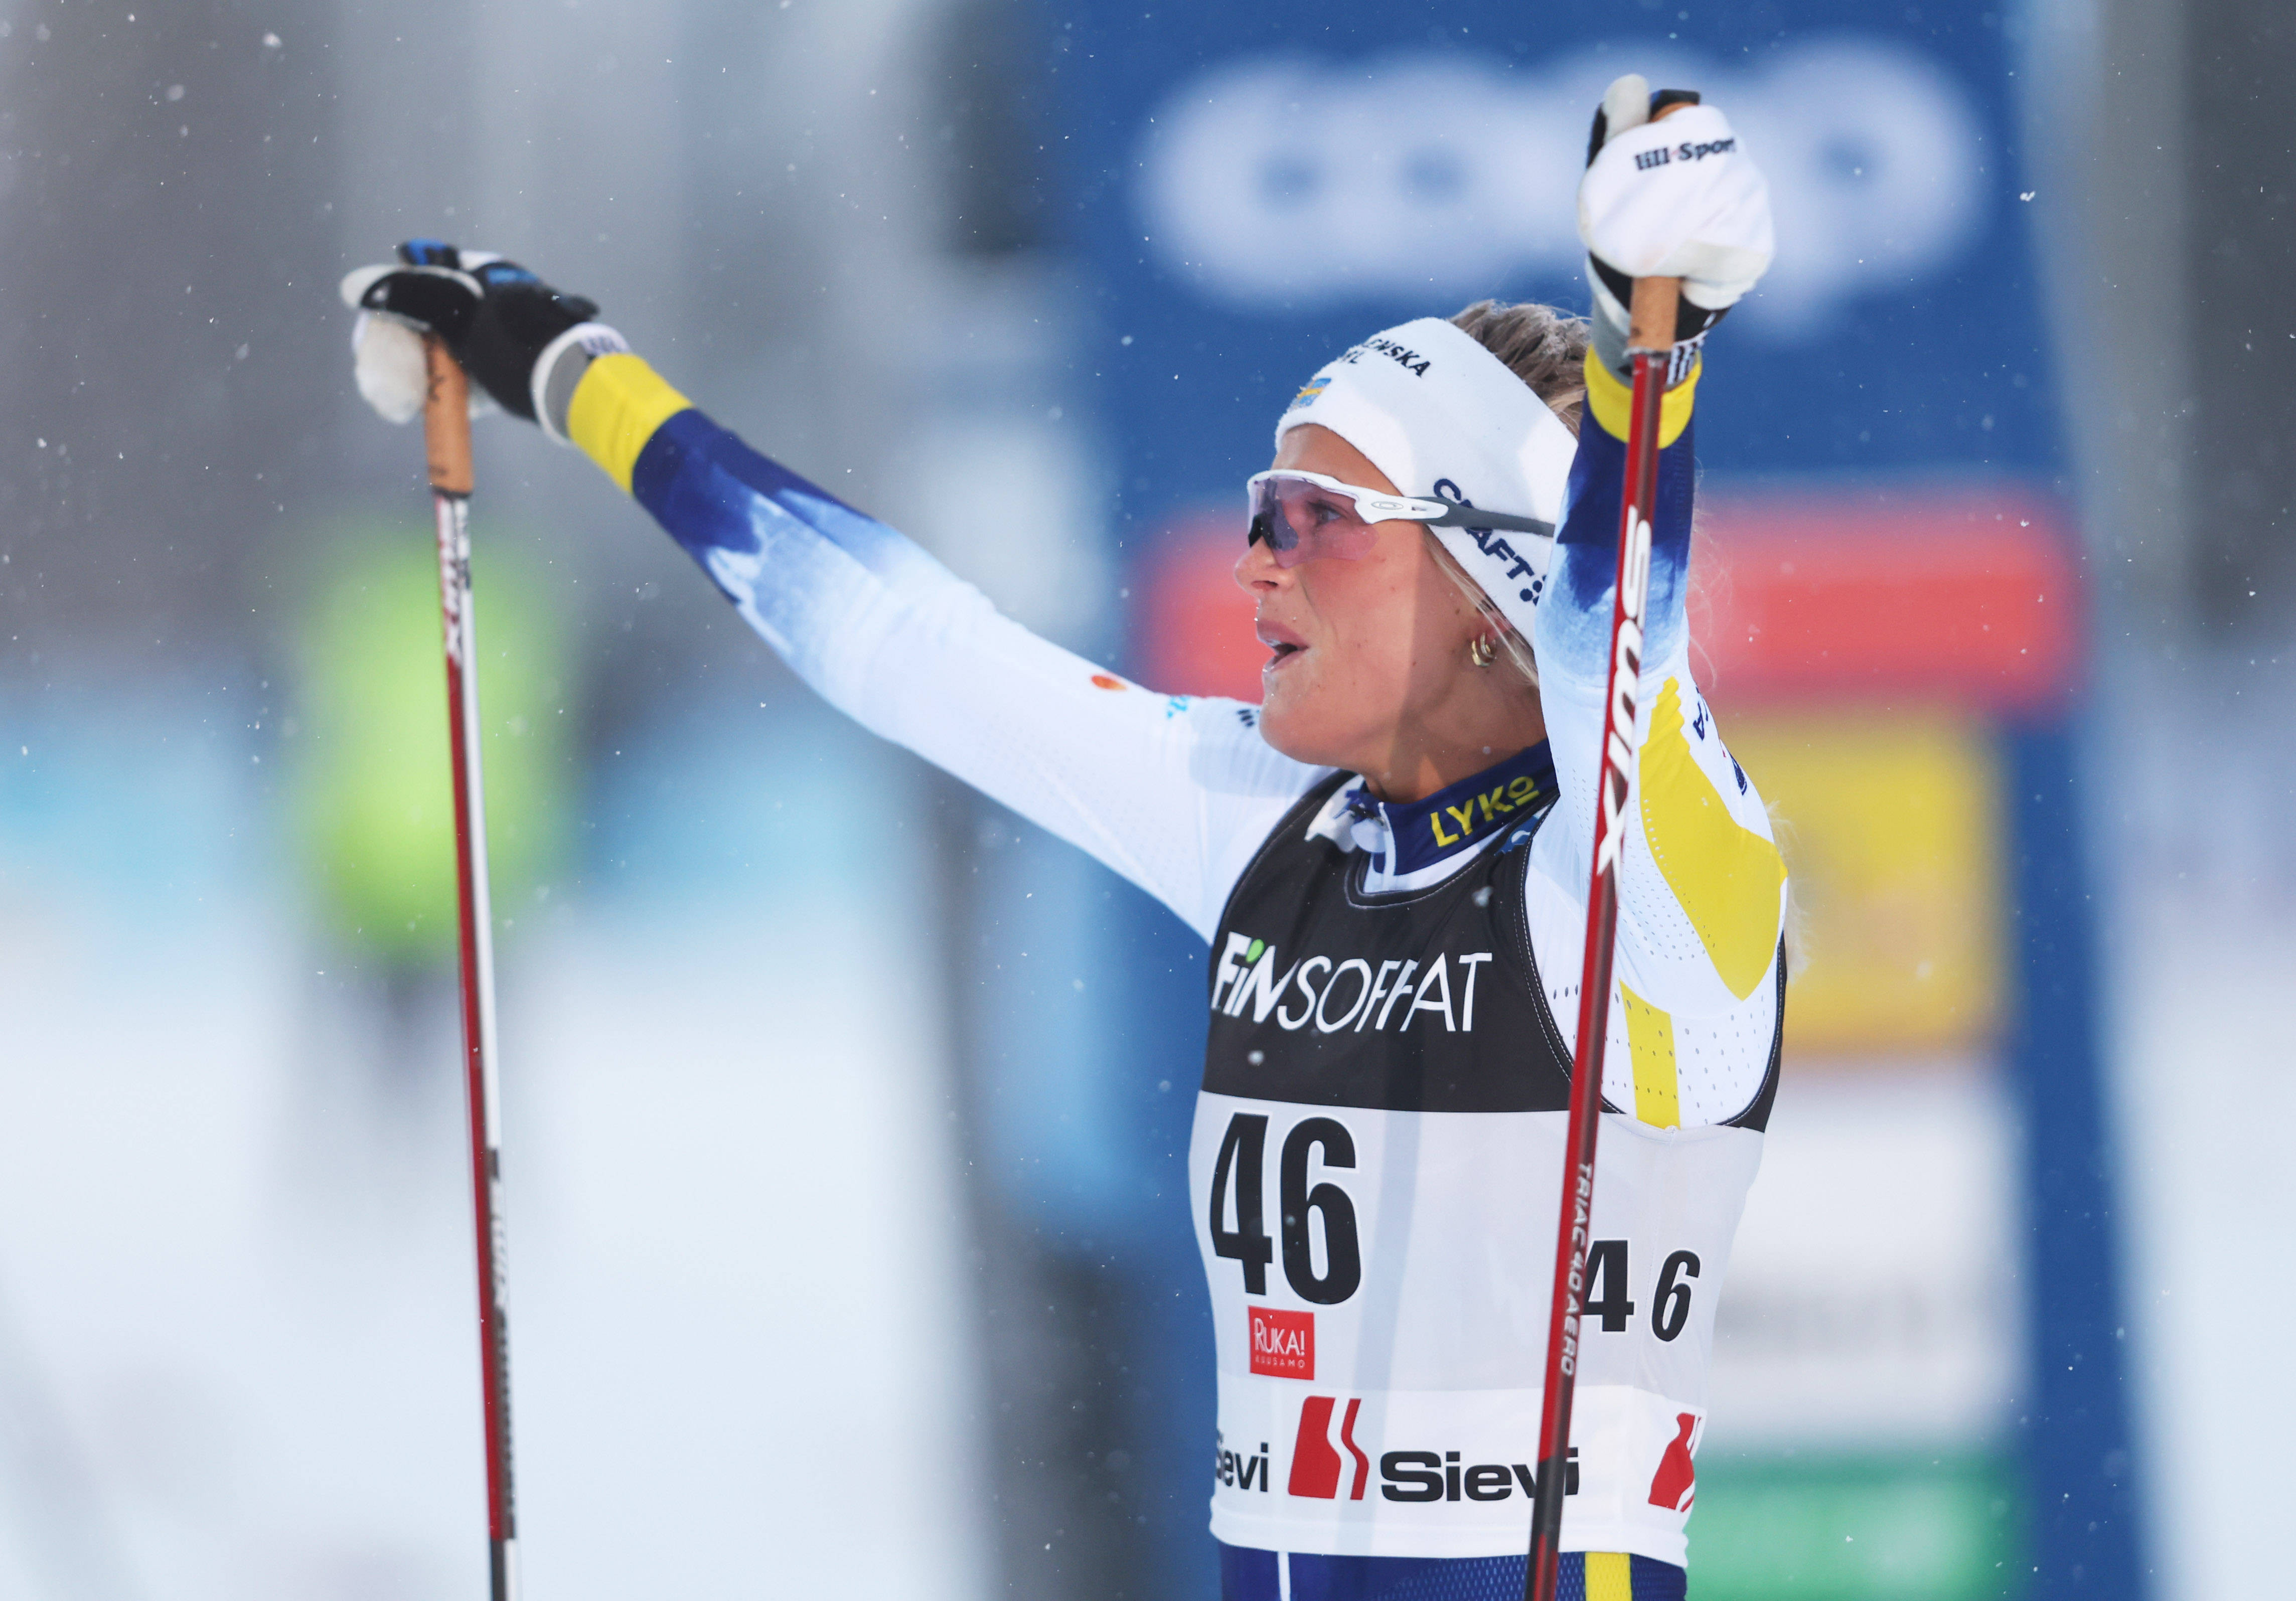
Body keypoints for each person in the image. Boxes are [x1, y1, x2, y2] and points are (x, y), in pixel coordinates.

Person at [344, 75, 1783, 1601]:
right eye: (1262, 509)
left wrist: (1648, 367)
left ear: (1495, 585)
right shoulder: (1276, 829)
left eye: (1316, 516)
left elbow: (1617, 661)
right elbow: (904, 642)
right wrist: (571, 370)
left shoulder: (1626, 906)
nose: (1256, 563)